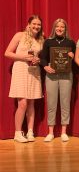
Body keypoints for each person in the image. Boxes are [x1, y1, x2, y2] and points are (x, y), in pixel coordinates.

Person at [4, 15, 44, 143]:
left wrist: (38, 60)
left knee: (31, 102)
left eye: (38, 24)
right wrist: (23, 57)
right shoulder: (19, 35)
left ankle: (30, 131)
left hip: (34, 71)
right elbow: (7, 53)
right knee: (23, 103)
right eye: (34, 24)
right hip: (20, 69)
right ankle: (18, 133)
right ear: (28, 23)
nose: (36, 26)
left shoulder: (41, 39)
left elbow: (40, 57)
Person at [40, 18, 76, 142]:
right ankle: (50, 132)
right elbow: (42, 58)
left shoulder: (71, 42)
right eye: (57, 26)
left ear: (65, 29)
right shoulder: (48, 42)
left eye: (62, 27)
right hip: (51, 75)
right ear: (54, 28)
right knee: (51, 103)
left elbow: (76, 61)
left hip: (66, 75)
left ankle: (64, 132)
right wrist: (45, 66)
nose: (60, 29)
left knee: (65, 102)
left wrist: (73, 56)